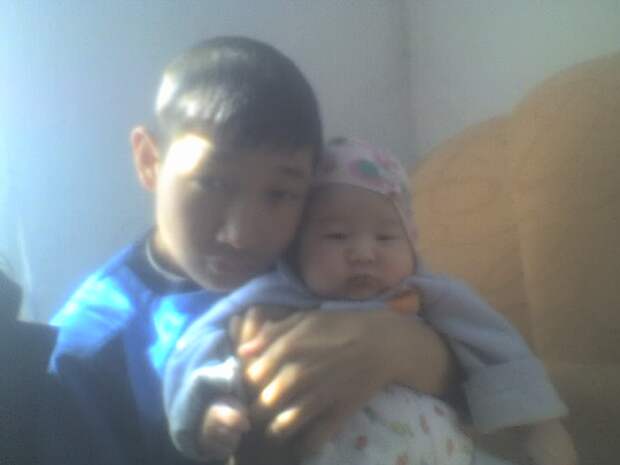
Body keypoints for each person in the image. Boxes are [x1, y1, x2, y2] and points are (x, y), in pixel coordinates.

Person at [46, 37, 457, 465]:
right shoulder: (89, 350)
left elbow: (470, 375)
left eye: (280, 193)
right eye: (212, 183)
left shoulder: (321, 253)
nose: (242, 235)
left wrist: (393, 344)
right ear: (150, 160)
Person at [162, 138, 577, 465]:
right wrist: (212, 404)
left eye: (386, 237)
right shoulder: (273, 297)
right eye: (336, 236)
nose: (363, 253)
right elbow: (203, 340)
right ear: (297, 249)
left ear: (411, 243)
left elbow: (494, 343)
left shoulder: (427, 294)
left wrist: (539, 425)